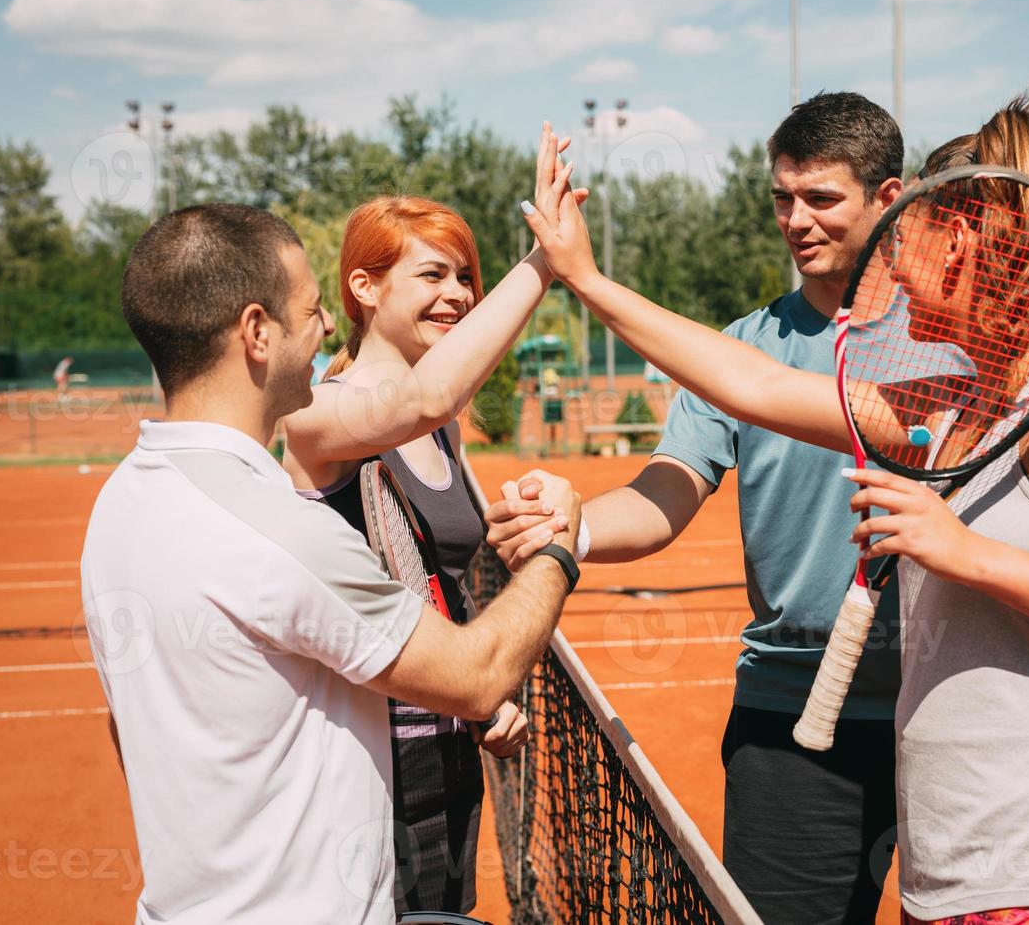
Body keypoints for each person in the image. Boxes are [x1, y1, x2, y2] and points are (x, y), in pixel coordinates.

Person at [517, 95, 1029, 923]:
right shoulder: (955, 401)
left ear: (958, 240)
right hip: (955, 875)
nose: (887, 256)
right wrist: (586, 281)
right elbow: (752, 383)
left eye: (906, 234)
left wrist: (962, 551)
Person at [82, 202, 582, 925]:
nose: (325, 327)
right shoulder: (283, 533)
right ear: (257, 332)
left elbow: (126, 727)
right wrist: (563, 546)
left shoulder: (119, 505)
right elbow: (477, 676)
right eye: (313, 310)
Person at [492, 91, 906, 923]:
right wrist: (571, 523)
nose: (796, 220)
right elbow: (663, 497)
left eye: (821, 198)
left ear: (887, 199)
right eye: (781, 199)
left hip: (946, 708)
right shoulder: (741, 346)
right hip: (792, 717)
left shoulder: (960, 340)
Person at [280, 127, 583, 916]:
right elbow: (424, 396)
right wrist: (546, 262)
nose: (457, 293)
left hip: (444, 749)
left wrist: (484, 693)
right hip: (361, 759)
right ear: (366, 287)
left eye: (466, 277)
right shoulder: (318, 413)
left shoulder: (444, 430)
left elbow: (446, 580)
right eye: (432, 274)